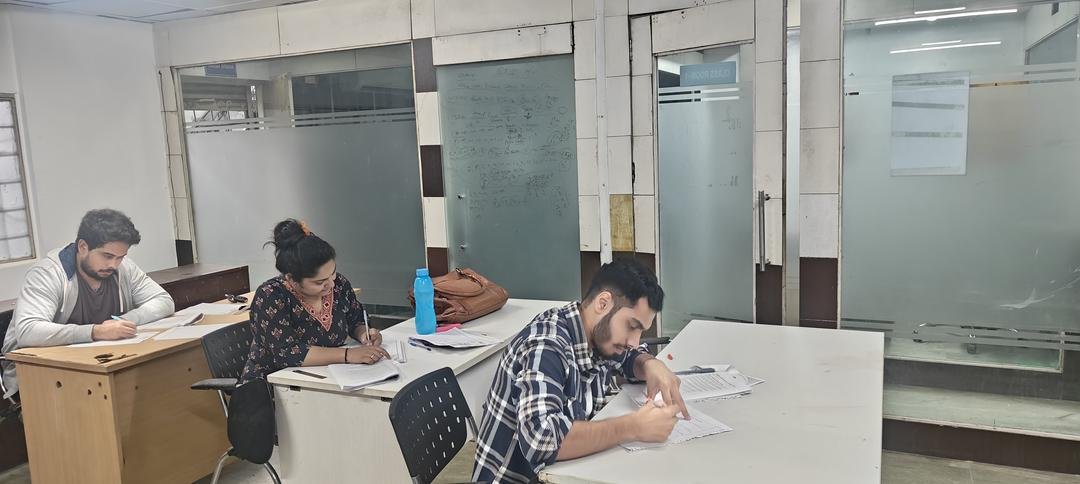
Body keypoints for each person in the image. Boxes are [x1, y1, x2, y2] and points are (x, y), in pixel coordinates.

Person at [473, 259, 687, 483]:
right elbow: (541, 440)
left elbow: (629, 358)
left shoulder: (597, 334)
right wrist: (633, 427)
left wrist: (650, 364)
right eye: (632, 326)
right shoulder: (546, 345)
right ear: (603, 303)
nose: (634, 341)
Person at [2, 209, 174, 398]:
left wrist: (124, 321)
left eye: (121, 257)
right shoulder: (47, 274)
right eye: (107, 256)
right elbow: (28, 331)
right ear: (83, 246)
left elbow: (163, 301)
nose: (114, 265)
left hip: (98, 366)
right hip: (39, 376)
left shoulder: (123, 268)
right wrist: (95, 331)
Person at [239, 219, 388, 385]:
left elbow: (355, 319)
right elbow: (287, 352)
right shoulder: (271, 295)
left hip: (331, 377)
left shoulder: (338, 284)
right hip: (272, 384)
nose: (331, 284)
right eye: (319, 282)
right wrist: (348, 355)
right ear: (292, 279)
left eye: (333, 273)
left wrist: (364, 334)